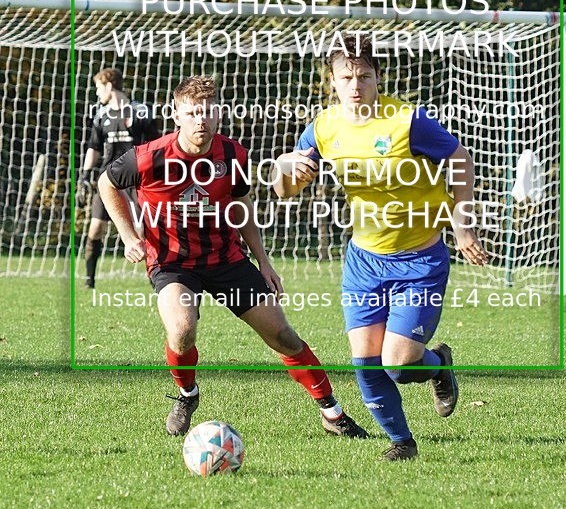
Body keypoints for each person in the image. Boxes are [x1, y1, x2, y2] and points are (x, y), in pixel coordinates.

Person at [98, 75, 367, 439]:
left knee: (284, 336)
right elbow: (107, 183)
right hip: (172, 262)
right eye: (192, 112)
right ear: (176, 116)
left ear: (219, 115)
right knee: (182, 330)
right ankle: (186, 395)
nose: (201, 120)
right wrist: (129, 235)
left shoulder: (232, 154)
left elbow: (241, 206)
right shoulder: (150, 156)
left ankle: (332, 413)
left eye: (208, 111)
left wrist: (264, 261)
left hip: (226, 259)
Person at [273, 33, 489, 461]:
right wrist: (283, 168)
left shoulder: (406, 122)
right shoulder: (322, 127)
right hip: (365, 262)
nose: (356, 85)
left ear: (378, 78)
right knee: (365, 364)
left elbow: (459, 158)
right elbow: (286, 190)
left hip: (421, 259)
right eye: (347, 77)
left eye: (365, 76)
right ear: (331, 81)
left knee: (398, 362)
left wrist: (463, 227)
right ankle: (401, 443)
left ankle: (438, 365)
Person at [77, 68, 161, 289]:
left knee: (144, 231)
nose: (97, 94)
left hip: (137, 181)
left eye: (98, 88)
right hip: (108, 181)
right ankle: (89, 280)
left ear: (108, 85)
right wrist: (84, 176)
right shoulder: (101, 114)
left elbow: (155, 144)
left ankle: (156, 278)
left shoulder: (141, 111)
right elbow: (93, 147)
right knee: (95, 228)